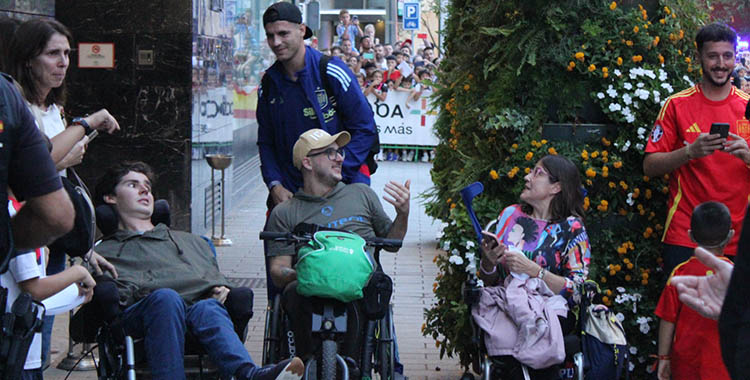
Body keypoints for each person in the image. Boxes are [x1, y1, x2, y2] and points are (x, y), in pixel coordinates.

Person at [91, 161, 304, 380]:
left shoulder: (191, 242)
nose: (145, 190)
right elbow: (92, 319)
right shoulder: (103, 252)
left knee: (209, 307)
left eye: (147, 185)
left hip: (194, 318)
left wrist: (220, 289)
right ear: (111, 198)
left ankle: (249, 375)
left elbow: (213, 282)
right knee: (166, 298)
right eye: (132, 185)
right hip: (140, 322)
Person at [8, 18, 122, 367]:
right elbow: (39, 162)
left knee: (37, 336)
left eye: (67, 54)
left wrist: (85, 248)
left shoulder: (53, 109)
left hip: (56, 237)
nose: (63, 63)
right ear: (28, 59)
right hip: (27, 232)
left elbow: (65, 177)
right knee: (23, 335)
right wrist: (86, 124)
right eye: (52, 54)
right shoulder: (15, 106)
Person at [265, 129, 409, 376]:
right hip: (307, 289)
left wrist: (403, 213)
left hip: (359, 285)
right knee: (290, 294)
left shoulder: (361, 194)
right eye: (330, 152)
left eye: (339, 152)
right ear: (307, 162)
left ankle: (353, 366)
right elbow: (278, 270)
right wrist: (304, 275)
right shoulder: (286, 212)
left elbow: (392, 242)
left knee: (372, 292)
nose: (340, 158)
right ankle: (305, 363)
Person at [643, 22, 750, 276]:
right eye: (712, 56)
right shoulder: (676, 105)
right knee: (681, 310)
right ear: (699, 57)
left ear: (735, 58)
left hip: (739, 234)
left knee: (736, 315)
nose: (721, 64)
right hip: (686, 234)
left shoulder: (748, 106)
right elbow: (649, 166)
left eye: (727, 56)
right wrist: (689, 152)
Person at [477, 155, 590, 380]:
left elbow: (577, 291)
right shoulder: (510, 216)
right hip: (507, 302)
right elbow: (490, 280)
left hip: (551, 309)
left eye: (538, 173)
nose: (527, 177)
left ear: (556, 187)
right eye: (531, 171)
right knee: (510, 331)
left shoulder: (572, 228)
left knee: (533, 335)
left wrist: (536, 271)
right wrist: (489, 261)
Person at [257, 1, 378, 206]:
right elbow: (266, 143)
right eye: (270, 35)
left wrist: (336, 175)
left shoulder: (332, 71)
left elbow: (365, 130)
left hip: (344, 184)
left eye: (283, 33)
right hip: (292, 192)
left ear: (302, 30)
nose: (276, 42)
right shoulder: (268, 85)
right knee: (275, 235)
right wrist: (275, 184)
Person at [2, 197, 95, 380]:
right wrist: (78, 272)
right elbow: (33, 290)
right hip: (15, 354)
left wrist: (74, 292)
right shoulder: (12, 214)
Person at [655, 201, 733, 380]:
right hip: (723, 363)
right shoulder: (734, 276)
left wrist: (663, 358)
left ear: (690, 236)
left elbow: (668, 318)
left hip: (685, 361)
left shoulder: (680, 273)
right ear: (731, 236)